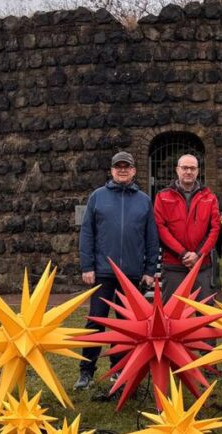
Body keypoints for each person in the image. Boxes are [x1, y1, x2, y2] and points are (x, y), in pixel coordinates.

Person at [75, 151, 159, 390]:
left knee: (125, 325)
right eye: (118, 167)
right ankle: (86, 371)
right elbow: (87, 233)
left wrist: (150, 269)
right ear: (111, 170)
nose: (122, 170)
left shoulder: (144, 200)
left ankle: (120, 369)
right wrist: (87, 266)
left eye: (127, 167)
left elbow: (151, 238)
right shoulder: (97, 197)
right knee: (95, 323)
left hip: (132, 274)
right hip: (102, 272)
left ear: (134, 171)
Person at [153, 154, 220, 302]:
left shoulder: (210, 197)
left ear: (197, 171)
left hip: (202, 266)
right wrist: (182, 253)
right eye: (184, 168)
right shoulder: (162, 196)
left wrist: (198, 254)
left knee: (205, 314)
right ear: (177, 170)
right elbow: (160, 228)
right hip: (173, 265)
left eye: (192, 168)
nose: (188, 171)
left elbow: (214, 229)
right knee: (172, 315)